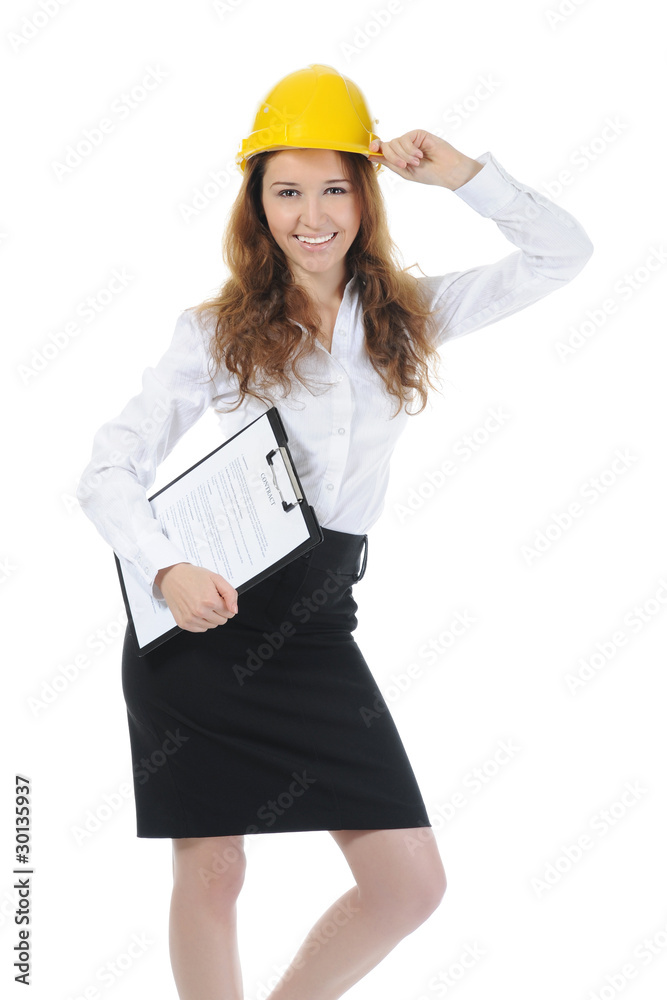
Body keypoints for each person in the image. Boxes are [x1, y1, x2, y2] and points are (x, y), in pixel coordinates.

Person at [76, 63, 593, 1000]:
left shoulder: (409, 317)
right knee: (214, 869)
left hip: (317, 624)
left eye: (333, 188)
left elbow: (564, 254)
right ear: (255, 203)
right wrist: (164, 573)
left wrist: (464, 174)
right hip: (203, 617)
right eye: (285, 191)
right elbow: (106, 469)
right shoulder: (214, 332)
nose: (310, 215)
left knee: (408, 885)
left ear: (365, 193)